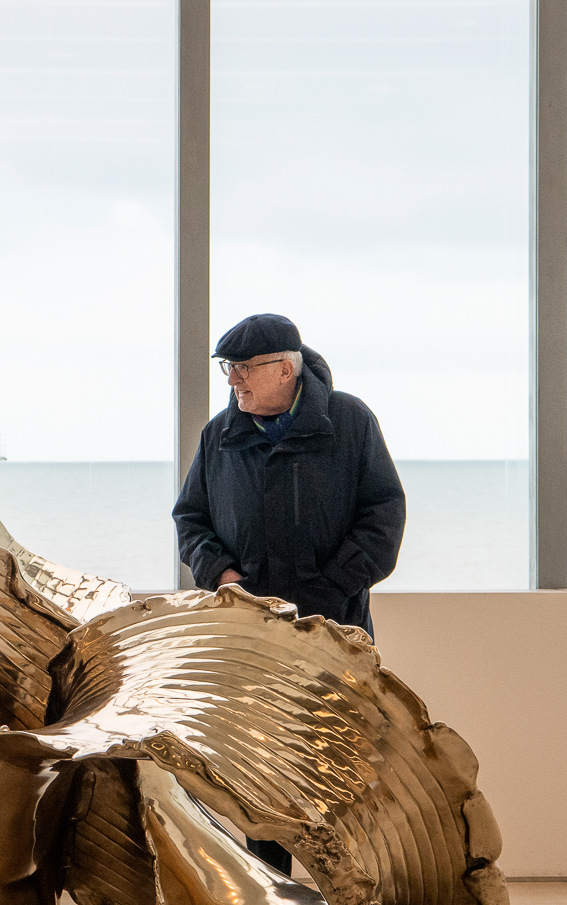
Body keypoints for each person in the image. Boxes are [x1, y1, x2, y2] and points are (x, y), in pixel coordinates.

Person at [172, 313, 406, 874]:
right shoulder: (219, 435)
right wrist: (222, 575)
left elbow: (383, 516)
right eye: (229, 369)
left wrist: (332, 587)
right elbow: (190, 518)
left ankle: (349, 892)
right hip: (251, 635)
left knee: (339, 766)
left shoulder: (349, 422)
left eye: (244, 367)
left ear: (285, 369)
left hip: (335, 630)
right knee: (261, 770)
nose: (234, 380)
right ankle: (272, 892)